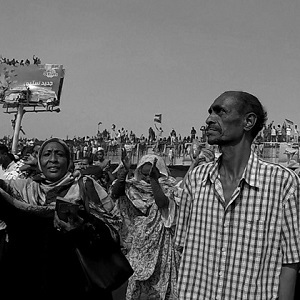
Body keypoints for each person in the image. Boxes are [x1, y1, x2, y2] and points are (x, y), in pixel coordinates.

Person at [175, 91, 300, 300]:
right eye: (210, 112)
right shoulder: (196, 179)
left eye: (220, 112)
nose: (209, 119)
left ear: (248, 121)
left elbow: (290, 261)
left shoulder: (282, 183)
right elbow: (183, 247)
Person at [0, 138, 127, 299]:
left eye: (59, 154)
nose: (53, 159)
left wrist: (82, 225)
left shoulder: (85, 186)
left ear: (68, 160)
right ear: (39, 161)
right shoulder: (22, 189)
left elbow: (114, 227)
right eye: (47, 154)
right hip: (31, 279)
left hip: (77, 280)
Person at [111, 150, 180, 300]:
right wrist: (123, 171)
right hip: (139, 240)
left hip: (162, 242)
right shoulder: (134, 186)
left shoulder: (168, 186)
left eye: (151, 171)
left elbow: (162, 203)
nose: (147, 175)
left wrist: (155, 181)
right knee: (138, 280)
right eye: (145, 170)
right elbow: (116, 193)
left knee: (161, 278)